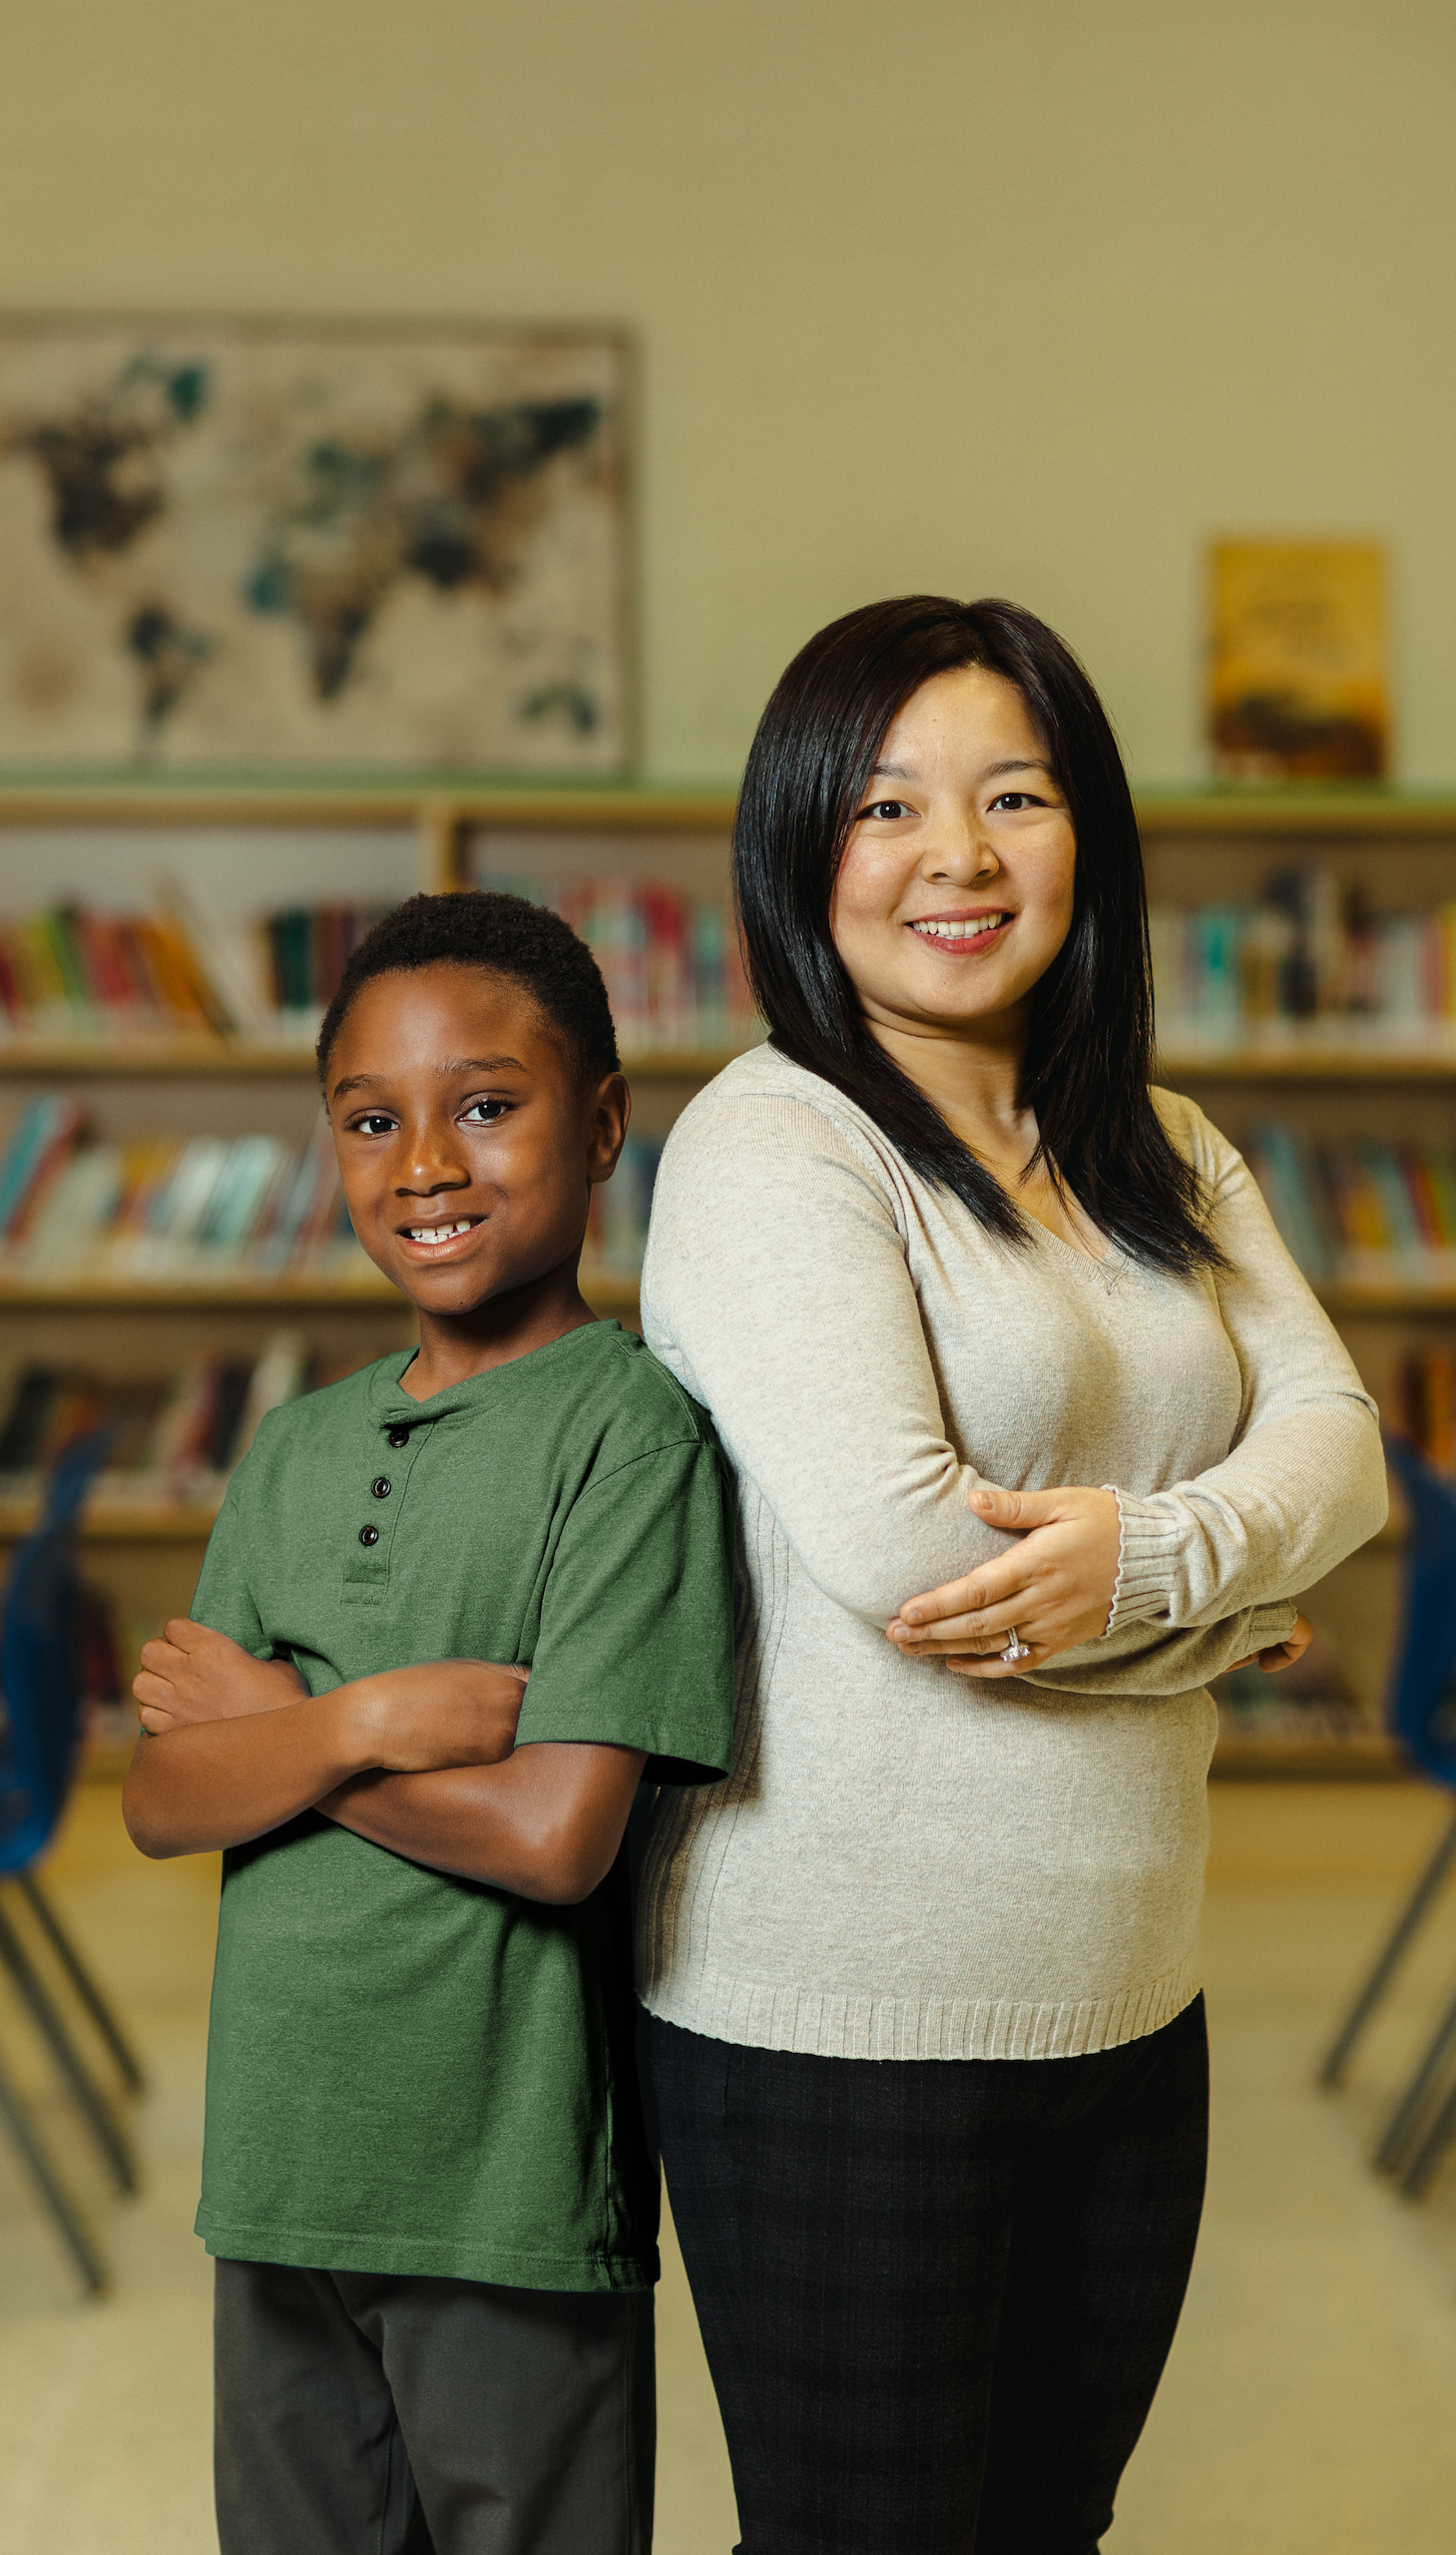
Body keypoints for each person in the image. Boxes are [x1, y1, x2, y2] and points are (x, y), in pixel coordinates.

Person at [635, 595, 1388, 2555]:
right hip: (834, 2008)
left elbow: (1340, 1450)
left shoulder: (1165, 1144)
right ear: (800, 845)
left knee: (1047, 2524)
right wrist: (1221, 1612)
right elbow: (911, 1556)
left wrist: (1142, 1559)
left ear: (1090, 835)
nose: (954, 854)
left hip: (1133, 1980)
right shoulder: (772, 1140)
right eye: (883, 804)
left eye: (1013, 795)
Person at [123, 891, 736, 2555]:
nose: (426, 1167)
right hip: (276, 2175)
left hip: (507, 2199)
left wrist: (283, 1733)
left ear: (602, 1123)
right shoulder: (293, 1448)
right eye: (371, 1121)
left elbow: (555, 1836)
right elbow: (166, 1794)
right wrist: (366, 1724)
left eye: (486, 1105)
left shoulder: (632, 1436)